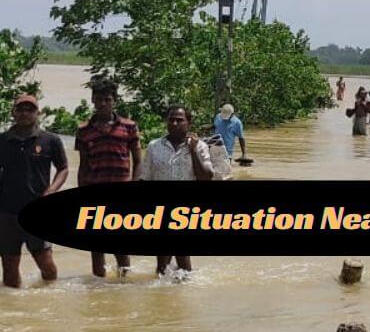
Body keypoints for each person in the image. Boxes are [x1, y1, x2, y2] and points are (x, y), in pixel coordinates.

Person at [0, 94, 68, 288]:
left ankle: (49, 299)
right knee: (10, 268)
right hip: (6, 212)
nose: (24, 113)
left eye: (30, 109)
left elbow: (63, 168)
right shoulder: (2, 141)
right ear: (13, 112)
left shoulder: (50, 140)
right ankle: (16, 311)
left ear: (38, 113)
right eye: (20, 109)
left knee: (46, 263)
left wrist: (52, 190)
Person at [75, 78, 141, 277]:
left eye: (107, 99)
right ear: (93, 100)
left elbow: (138, 161)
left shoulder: (129, 127)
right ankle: (99, 286)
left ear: (114, 101)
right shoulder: (84, 130)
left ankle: (124, 283)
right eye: (98, 99)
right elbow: (83, 166)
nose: (102, 103)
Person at [139, 106, 213, 276]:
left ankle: (174, 292)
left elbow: (206, 177)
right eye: (171, 119)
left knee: (181, 261)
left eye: (180, 120)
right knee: (163, 263)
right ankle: (169, 295)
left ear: (189, 123)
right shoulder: (153, 146)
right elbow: (146, 178)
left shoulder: (200, 146)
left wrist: (193, 150)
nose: (174, 123)